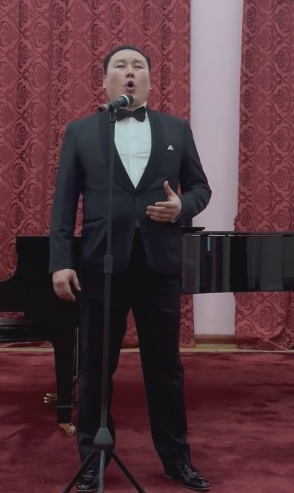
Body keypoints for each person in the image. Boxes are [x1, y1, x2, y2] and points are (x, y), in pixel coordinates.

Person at [49, 45, 212, 492]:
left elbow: (200, 188)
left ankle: (177, 460)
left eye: (138, 66)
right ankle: (93, 461)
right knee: (96, 368)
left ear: (149, 81)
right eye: (120, 66)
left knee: (165, 368)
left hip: (159, 265)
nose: (129, 72)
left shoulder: (176, 129)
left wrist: (182, 206)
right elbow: (64, 203)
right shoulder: (81, 133)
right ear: (105, 81)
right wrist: (60, 262)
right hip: (101, 266)